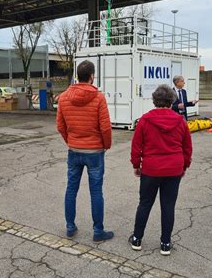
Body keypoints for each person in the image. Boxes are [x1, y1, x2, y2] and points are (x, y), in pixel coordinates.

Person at [128, 84, 192, 256]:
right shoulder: (180, 121)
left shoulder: (145, 120)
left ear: (154, 100)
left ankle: (137, 239)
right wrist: (184, 165)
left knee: (145, 203)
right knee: (168, 206)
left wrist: (136, 165)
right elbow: (187, 147)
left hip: (151, 169)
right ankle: (165, 243)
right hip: (173, 168)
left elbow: (136, 146)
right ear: (171, 101)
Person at [56, 60, 113, 242]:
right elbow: (105, 127)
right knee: (96, 192)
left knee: (71, 189)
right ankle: (98, 231)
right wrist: (106, 145)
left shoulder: (64, 97)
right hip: (95, 151)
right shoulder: (98, 97)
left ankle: (70, 227)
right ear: (92, 76)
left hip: (74, 150)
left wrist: (70, 141)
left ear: (76, 76)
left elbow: (60, 125)